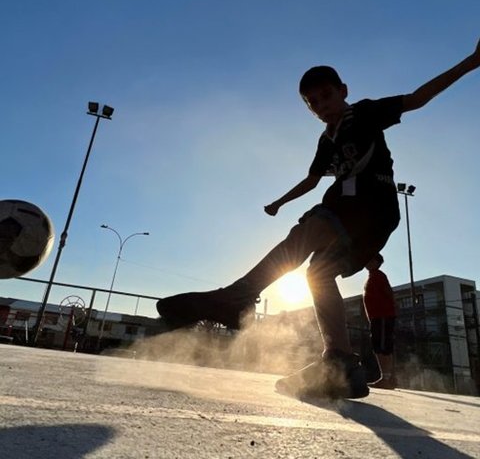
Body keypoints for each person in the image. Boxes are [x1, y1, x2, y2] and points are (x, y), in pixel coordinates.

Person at [157, 39, 480, 399]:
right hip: (363, 220)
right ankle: (340, 360)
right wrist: (279, 202)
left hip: (372, 201)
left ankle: (238, 297)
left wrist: (471, 61)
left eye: (327, 97)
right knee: (317, 274)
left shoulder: (366, 113)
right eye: (313, 104)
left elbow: (417, 98)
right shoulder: (326, 141)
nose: (322, 107)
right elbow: (312, 179)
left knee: (315, 224)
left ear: (343, 91)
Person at [363, 253, 396, 389]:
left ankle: (386, 379)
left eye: (370, 260)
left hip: (382, 316)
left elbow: (388, 292)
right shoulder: (372, 276)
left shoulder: (379, 276)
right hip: (377, 317)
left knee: (383, 347)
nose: (367, 262)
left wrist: (390, 310)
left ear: (377, 262)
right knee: (379, 346)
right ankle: (387, 378)